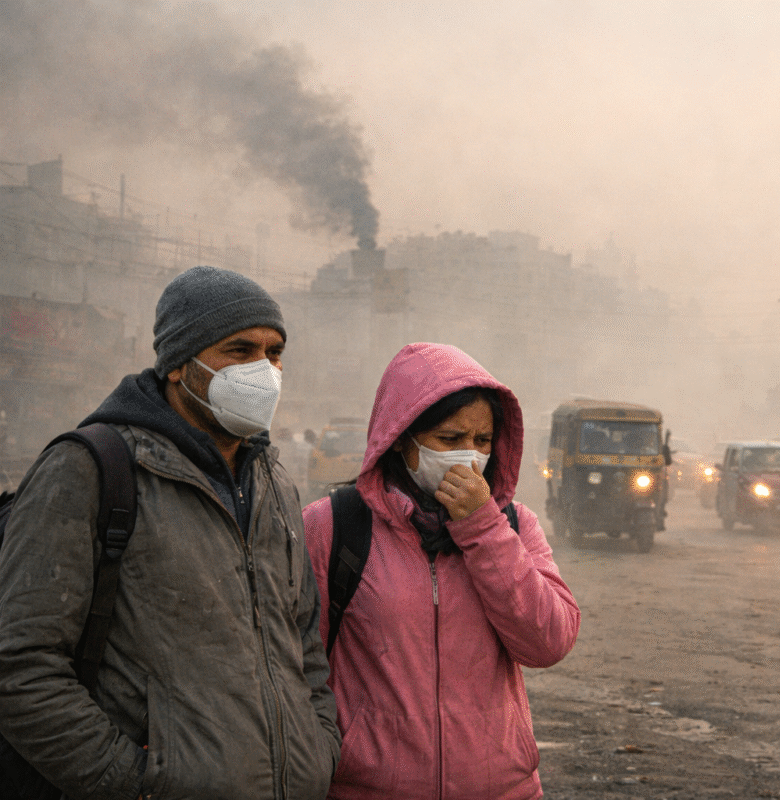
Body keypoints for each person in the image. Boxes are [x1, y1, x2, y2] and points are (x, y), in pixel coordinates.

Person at [0, 266, 340, 799]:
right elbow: (20, 667)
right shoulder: (89, 468)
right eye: (240, 350)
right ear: (181, 364)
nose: (265, 370)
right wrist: (137, 785)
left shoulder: (271, 479)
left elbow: (301, 644)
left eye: (274, 352)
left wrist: (319, 749)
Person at [303, 342, 580, 800]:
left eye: (481, 442)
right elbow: (295, 662)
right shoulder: (334, 526)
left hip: (499, 788)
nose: (468, 457)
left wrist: (482, 527)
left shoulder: (513, 525)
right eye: (449, 441)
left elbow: (548, 641)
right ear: (400, 437)